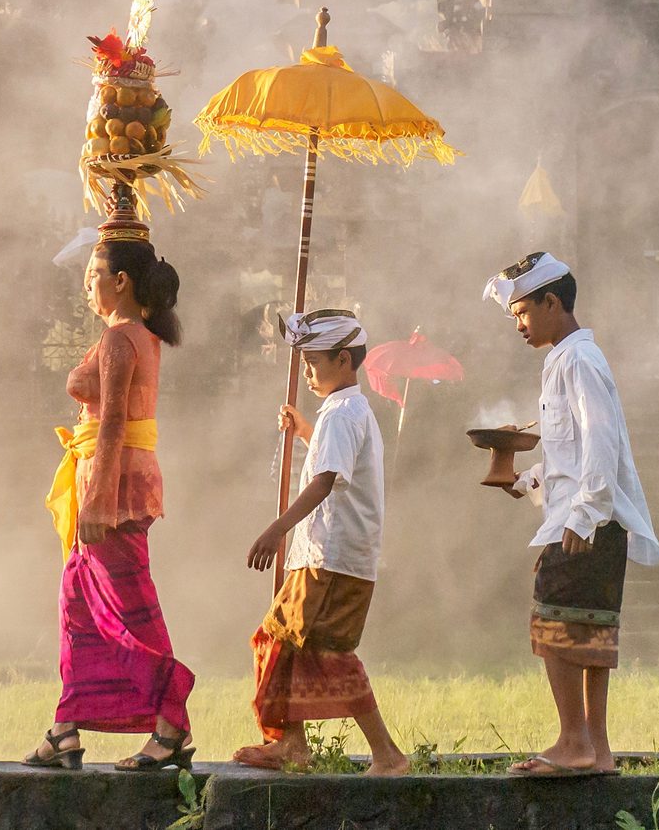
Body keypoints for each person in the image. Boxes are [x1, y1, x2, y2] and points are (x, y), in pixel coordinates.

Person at [482, 252, 659, 778]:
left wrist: (584, 515)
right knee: (588, 630)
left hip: (589, 523)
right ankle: (596, 751)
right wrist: (528, 482)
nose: (518, 324)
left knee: (553, 619)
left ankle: (572, 742)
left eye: (522, 313)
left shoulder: (579, 360)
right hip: (587, 516)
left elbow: (602, 441)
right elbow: (571, 451)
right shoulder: (563, 359)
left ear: (551, 302)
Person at [27, 233, 195, 772]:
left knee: (127, 607)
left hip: (113, 489)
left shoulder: (122, 339)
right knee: (77, 605)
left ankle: (170, 725)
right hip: (109, 482)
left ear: (120, 282)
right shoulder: (133, 336)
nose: (87, 288)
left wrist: (97, 505)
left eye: (92, 277)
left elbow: (115, 423)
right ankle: (64, 729)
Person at [234, 310, 409, 775]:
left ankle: (387, 755)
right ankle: (291, 743)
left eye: (313, 361)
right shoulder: (345, 411)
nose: (307, 371)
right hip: (326, 556)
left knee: (323, 652)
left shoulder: (343, 412)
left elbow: (327, 479)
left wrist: (277, 529)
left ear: (344, 360)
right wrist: (305, 429)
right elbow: (333, 460)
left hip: (330, 559)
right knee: (283, 642)